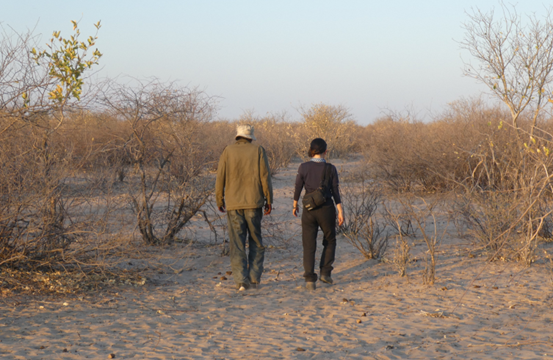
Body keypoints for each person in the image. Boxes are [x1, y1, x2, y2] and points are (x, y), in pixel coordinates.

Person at [216, 124, 273, 291]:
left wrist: (220, 199)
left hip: (233, 204)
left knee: (237, 243)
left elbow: (220, 177)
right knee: (256, 241)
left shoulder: (228, 151)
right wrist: (268, 200)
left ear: (238, 136)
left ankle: (241, 281)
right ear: (251, 137)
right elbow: (265, 177)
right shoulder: (258, 151)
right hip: (254, 203)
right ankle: (254, 278)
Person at [293, 138, 344, 290]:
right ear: (325, 151)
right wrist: (340, 210)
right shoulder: (331, 168)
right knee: (330, 240)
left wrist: (295, 205)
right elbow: (335, 191)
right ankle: (325, 273)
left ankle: (309, 280)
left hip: (308, 209)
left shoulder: (303, 167)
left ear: (310, 150)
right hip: (326, 208)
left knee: (309, 245)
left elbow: (298, 186)